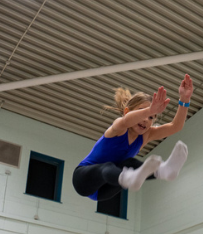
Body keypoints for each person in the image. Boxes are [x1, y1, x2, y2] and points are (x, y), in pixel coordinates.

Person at [72, 75, 193, 203]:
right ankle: (130, 177)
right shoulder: (119, 127)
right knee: (107, 166)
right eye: (143, 112)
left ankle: (164, 171)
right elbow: (126, 120)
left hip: (105, 189)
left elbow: (176, 126)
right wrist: (150, 110)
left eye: (152, 117)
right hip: (83, 180)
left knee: (130, 163)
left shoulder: (146, 135)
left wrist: (184, 99)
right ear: (127, 111)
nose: (147, 119)